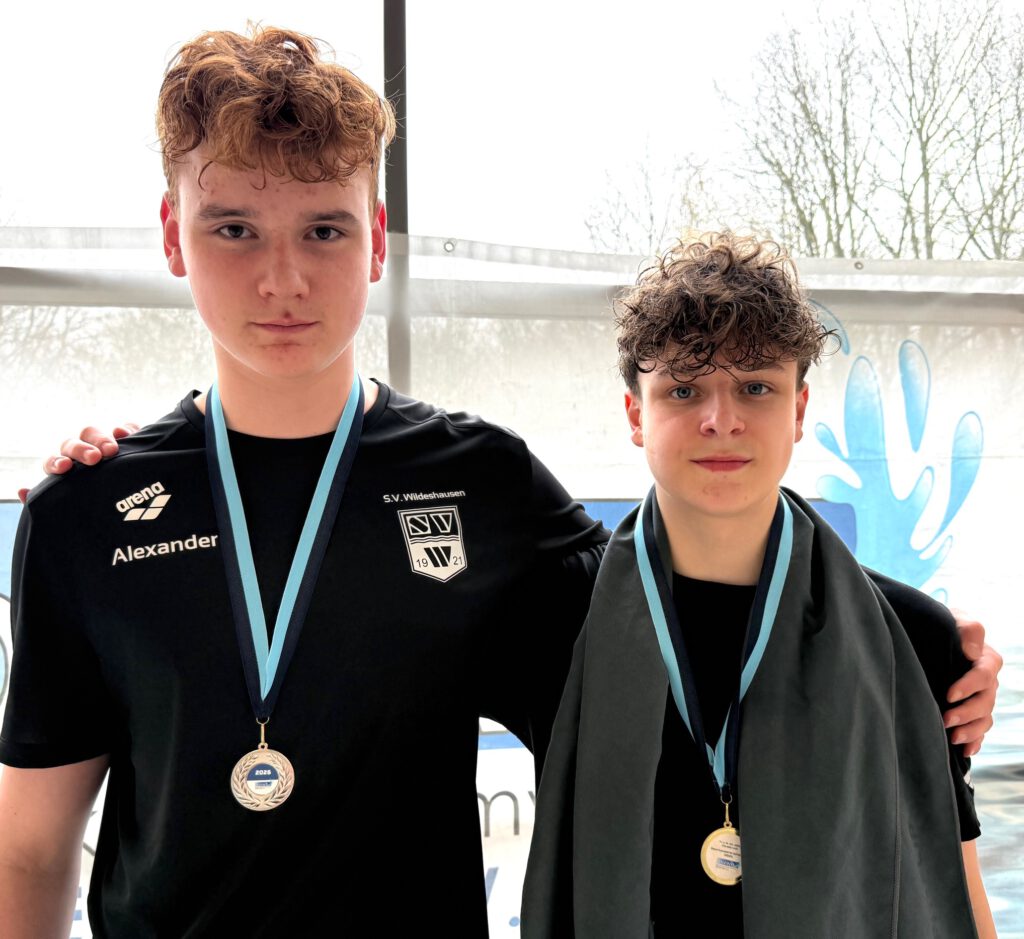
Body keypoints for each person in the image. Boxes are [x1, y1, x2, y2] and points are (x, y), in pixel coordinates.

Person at [0, 26, 1000, 939]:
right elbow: (32, 851)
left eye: (323, 230)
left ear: (375, 237)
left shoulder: (483, 484)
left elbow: (684, 592)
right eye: (233, 229)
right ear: (171, 233)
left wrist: (915, 645)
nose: (283, 278)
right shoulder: (87, 515)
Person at [521, 232, 997, 938]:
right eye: (684, 389)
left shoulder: (912, 637)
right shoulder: (557, 623)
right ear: (636, 415)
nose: (722, 420)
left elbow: (954, 887)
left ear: (798, 411)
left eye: (755, 387)